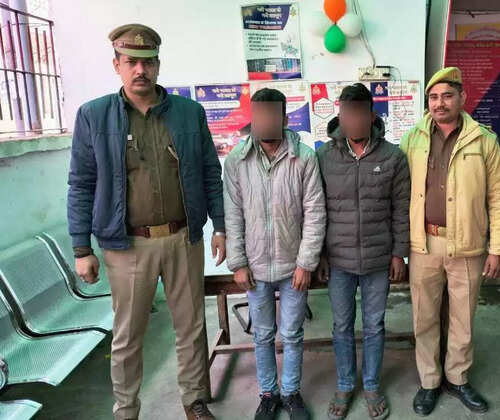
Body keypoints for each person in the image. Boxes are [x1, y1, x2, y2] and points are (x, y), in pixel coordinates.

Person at [67, 24, 225, 420]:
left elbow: (210, 171)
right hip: (126, 246)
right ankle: (126, 410)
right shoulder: (94, 115)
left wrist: (220, 226)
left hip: (182, 237)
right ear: (117, 65)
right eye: (131, 62)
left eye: (148, 62)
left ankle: (194, 400)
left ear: (158, 64)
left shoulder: (188, 113)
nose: (141, 70)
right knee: (128, 335)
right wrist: (82, 248)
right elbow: (81, 183)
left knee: (191, 327)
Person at [399, 67, 500, 416]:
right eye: (433, 97)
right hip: (424, 244)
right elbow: (399, 193)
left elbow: (499, 196)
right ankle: (429, 381)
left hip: (468, 245)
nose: (440, 103)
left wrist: (498, 248)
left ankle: (458, 378)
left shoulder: (483, 140)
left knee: (463, 319)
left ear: (462, 98)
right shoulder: (413, 139)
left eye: (447, 96)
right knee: (425, 317)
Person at [223, 88, 326, 420]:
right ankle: (268, 394)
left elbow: (315, 213)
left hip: (293, 267)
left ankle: (291, 392)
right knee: (263, 334)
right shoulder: (237, 161)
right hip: (254, 268)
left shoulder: (304, 158)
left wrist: (306, 263)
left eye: (271, 114)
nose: (265, 121)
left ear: (284, 118)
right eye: (259, 114)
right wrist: (238, 263)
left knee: (293, 334)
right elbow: (233, 214)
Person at [315, 83, 410, 420]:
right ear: (340, 115)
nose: (353, 119)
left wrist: (399, 253)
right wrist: (320, 255)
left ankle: (371, 385)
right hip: (338, 259)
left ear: (372, 115)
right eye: (347, 112)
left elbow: (401, 208)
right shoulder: (324, 157)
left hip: (378, 258)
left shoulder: (393, 157)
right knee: (341, 326)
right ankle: (344, 385)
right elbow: (316, 209)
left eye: (360, 112)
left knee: (374, 326)